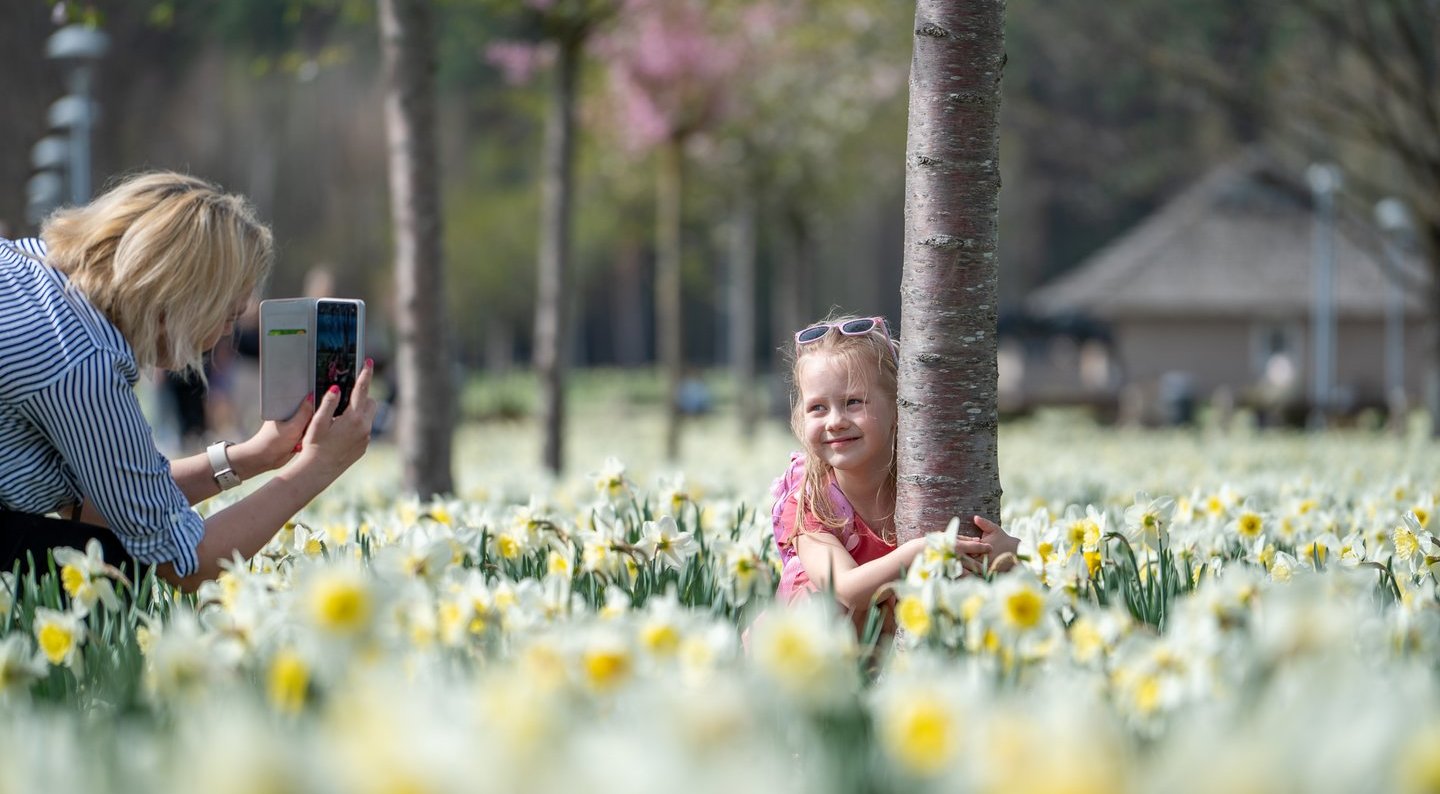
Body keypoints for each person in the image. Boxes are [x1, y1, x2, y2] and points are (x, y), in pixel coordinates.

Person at [0, 171, 377, 591]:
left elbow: (107, 500)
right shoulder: (82, 364)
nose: (223, 335)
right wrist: (319, 467)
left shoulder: (31, 266)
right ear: (185, 298)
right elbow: (184, 562)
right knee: (113, 576)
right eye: (229, 316)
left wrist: (257, 455)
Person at [771, 314, 1018, 630]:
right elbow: (844, 588)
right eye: (818, 407)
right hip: (816, 655)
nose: (835, 421)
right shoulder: (811, 500)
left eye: (853, 402)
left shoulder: (930, 483)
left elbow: (984, 556)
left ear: (899, 408)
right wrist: (923, 550)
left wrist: (1007, 552)